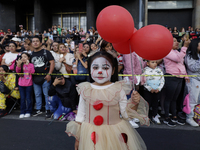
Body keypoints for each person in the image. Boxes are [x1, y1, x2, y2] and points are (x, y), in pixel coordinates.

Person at [66, 51, 149, 150]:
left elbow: (126, 115)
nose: (100, 71)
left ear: (113, 70)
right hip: (90, 134)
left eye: (105, 68)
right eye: (95, 68)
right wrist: (78, 139)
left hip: (114, 133)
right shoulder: (85, 89)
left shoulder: (118, 89)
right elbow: (80, 116)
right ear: (90, 69)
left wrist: (135, 103)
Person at [163, 37, 190, 127]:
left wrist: (185, 75)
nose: (177, 43)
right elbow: (178, 59)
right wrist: (185, 47)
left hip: (179, 78)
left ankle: (174, 116)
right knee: (169, 98)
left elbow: (181, 64)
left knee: (175, 99)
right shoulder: (167, 52)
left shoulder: (178, 52)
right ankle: (167, 117)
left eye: (177, 41)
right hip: (171, 76)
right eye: (174, 41)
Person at [30, 36, 55, 119]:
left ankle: (48, 110)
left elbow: (52, 62)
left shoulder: (46, 52)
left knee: (46, 94)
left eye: (37, 41)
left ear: (41, 43)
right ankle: (38, 109)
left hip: (45, 77)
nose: (35, 43)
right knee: (37, 94)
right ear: (32, 43)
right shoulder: (31, 54)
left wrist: (49, 74)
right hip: (35, 78)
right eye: (33, 41)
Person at [141, 60, 165, 124]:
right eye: (152, 62)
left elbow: (162, 80)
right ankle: (146, 116)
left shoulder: (159, 70)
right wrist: (149, 88)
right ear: (147, 63)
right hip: (148, 91)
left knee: (155, 104)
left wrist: (159, 88)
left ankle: (155, 115)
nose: (155, 64)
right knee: (147, 103)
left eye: (156, 62)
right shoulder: (145, 71)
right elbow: (143, 81)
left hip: (157, 91)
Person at [184, 38, 200, 127]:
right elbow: (192, 68)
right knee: (192, 99)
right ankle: (189, 117)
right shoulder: (189, 55)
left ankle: (197, 116)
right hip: (193, 80)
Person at [16, 52, 35, 118]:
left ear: (28, 58)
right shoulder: (20, 64)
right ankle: (22, 112)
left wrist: (27, 65)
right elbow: (18, 72)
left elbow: (32, 72)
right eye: (22, 57)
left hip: (29, 84)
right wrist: (18, 65)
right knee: (22, 99)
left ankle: (28, 111)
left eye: (25, 57)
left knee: (28, 99)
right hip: (21, 84)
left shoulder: (31, 65)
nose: (23, 58)